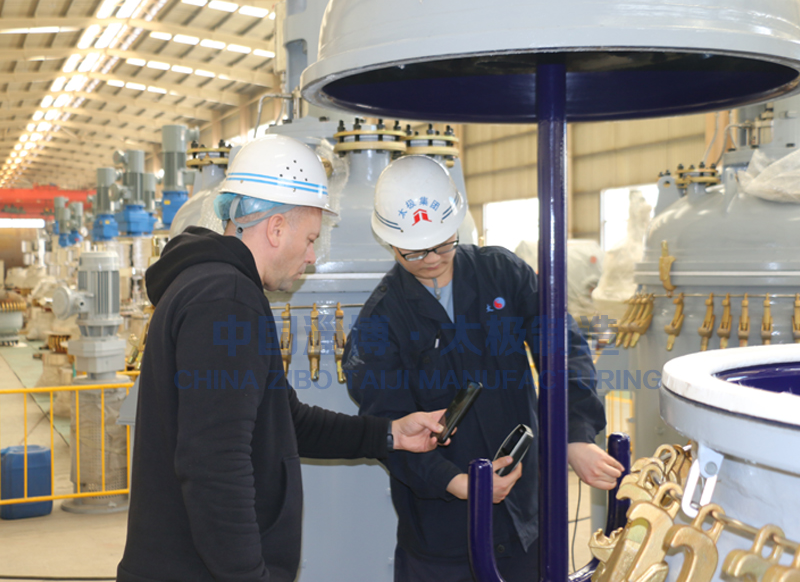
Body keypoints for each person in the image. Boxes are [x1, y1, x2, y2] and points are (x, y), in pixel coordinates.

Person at [117, 136, 448, 582]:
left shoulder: (209, 287)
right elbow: (215, 465)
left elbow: (283, 419)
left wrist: (389, 434)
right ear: (275, 229)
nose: (311, 257)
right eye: (310, 239)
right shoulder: (226, 299)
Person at [343, 155, 624, 582]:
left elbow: (562, 350)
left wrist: (574, 435)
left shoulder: (502, 274)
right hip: (443, 535)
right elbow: (387, 427)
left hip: (524, 518)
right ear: (389, 242)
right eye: (415, 251)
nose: (432, 259)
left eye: (443, 244)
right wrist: (457, 482)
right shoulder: (379, 323)